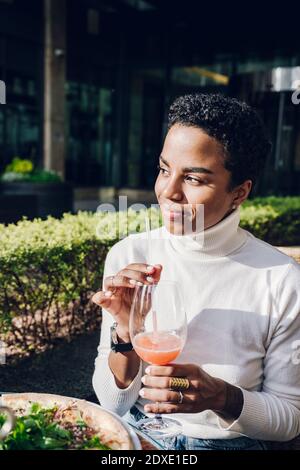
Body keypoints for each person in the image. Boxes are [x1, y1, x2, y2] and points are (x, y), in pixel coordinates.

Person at [92, 93, 300, 450]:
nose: (167, 192)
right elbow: (113, 405)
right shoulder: (130, 254)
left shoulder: (281, 279)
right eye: (163, 169)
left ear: (239, 192)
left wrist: (223, 398)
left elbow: (291, 418)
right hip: (138, 434)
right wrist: (124, 336)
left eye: (194, 179)